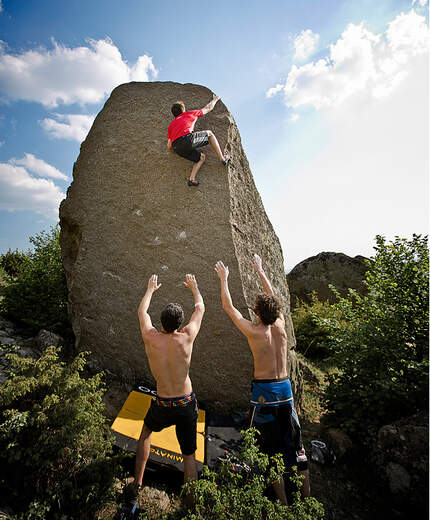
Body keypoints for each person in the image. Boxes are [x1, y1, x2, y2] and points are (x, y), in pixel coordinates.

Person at [214, 254, 310, 506]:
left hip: (264, 395)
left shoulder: (255, 332)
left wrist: (224, 279)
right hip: (286, 391)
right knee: (297, 449)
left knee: (269, 450)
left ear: (257, 313)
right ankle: (307, 500)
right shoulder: (280, 326)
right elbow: (275, 298)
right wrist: (259, 269)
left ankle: (284, 503)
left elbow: (229, 307)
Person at [124, 273, 205, 509]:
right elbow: (200, 309)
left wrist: (150, 289)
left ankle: (136, 485)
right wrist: (194, 288)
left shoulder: (151, 338)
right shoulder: (187, 337)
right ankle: (190, 507)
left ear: (162, 323)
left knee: (147, 431)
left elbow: (141, 313)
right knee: (188, 455)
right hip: (185, 403)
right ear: (180, 324)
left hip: (163, 403)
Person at [167, 95, 231, 187]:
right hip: (187, 139)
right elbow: (208, 108)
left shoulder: (171, 126)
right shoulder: (190, 114)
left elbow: (169, 146)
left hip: (177, 147)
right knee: (209, 133)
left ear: (174, 114)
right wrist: (216, 99)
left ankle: (191, 179)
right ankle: (223, 159)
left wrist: (178, 149)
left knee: (201, 158)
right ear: (183, 110)